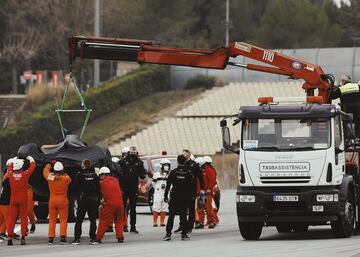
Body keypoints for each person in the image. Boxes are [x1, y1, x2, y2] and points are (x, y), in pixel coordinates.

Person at [163, 155, 194, 241]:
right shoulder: (188, 172)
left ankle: (168, 234)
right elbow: (192, 186)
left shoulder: (173, 172)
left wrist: (165, 196)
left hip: (174, 197)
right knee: (183, 216)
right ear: (184, 162)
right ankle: (184, 234)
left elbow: (168, 185)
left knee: (171, 216)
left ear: (177, 161)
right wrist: (191, 197)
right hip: (184, 198)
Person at [6, 156, 36, 246]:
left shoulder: (10, 174)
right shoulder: (24, 174)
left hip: (13, 199)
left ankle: (10, 237)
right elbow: (32, 167)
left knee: (11, 218)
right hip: (23, 199)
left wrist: (14, 160)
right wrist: (31, 159)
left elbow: (10, 168)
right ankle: (23, 237)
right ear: (21, 168)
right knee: (23, 218)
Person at [174, 149, 204, 233]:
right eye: (182, 155)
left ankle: (190, 226)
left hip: (191, 190)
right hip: (182, 190)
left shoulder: (194, 165)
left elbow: (200, 177)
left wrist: (202, 189)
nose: (184, 156)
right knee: (182, 209)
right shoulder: (181, 164)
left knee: (191, 209)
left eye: (185, 155)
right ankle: (182, 225)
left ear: (189, 155)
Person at [93, 167, 124, 244]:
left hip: (109, 204)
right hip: (120, 204)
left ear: (103, 174)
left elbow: (99, 191)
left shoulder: (102, 182)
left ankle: (98, 238)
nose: (100, 177)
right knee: (119, 221)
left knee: (103, 221)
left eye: (100, 175)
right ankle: (120, 237)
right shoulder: (116, 180)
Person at [119, 146, 147, 234]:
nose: (133, 154)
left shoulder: (139, 162)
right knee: (122, 207)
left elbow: (142, 175)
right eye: (131, 153)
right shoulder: (123, 161)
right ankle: (122, 226)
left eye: (134, 153)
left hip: (133, 188)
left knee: (133, 208)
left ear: (137, 153)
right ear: (128, 153)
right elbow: (118, 172)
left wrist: (144, 171)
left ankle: (133, 227)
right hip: (124, 187)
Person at [72, 160, 100, 245]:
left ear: (83, 166)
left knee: (79, 220)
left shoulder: (79, 175)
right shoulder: (95, 175)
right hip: (92, 200)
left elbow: (74, 188)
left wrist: (77, 198)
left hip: (83, 200)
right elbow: (98, 188)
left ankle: (77, 239)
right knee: (93, 220)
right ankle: (93, 238)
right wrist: (97, 198)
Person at [43, 161, 71, 245]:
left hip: (52, 200)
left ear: (54, 170)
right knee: (63, 219)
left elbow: (45, 171)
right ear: (62, 170)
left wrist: (49, 164)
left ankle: (51, 238)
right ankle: (62, 237)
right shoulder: (66, 178)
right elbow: (70, 179)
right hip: (63, 200)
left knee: (52, 220)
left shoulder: (50, 177)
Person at [196, 156, 217, 229]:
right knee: (200, 208)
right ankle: (201, 222)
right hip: (200, 193)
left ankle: (212, 221)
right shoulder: (198, 171)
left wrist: (209, 189)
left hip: (207, 193)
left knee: (208, 208)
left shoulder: (208, 170)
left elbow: (212, 180)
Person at [152, 159, 170, 227]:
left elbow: (171, 184)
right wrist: (157, 189)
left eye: (168, 165)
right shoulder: (156, 174)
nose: (167, 167)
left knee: (164, 207)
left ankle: (162, 222)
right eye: (165, 165)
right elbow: (153, 183)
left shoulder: (169, 175)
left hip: (166, 193)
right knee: (156, 207)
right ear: (161, 166)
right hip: (158, 193)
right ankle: (154, 222)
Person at [0, 158, 13, 240]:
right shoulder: (8, 175)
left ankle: (3, 232)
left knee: (2, 218)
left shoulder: (6, 175)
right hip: (5, 201)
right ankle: (7, 233)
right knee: (7, 218)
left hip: (2, 200)